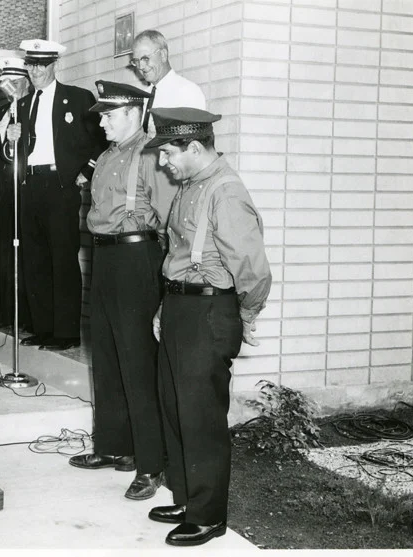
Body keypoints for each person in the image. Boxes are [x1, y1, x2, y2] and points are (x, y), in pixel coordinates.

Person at [146, 107, 271, 547]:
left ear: (195, 147)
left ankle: (208, 514)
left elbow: (252, 270)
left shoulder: (226, 192)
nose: (163, 163)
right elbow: (178, 254)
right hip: (180, 308)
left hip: (209, 312)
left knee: (201, 416)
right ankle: (186, 497)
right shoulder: (191, 185)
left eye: (168, 153)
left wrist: (245, 315)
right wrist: (165, 307)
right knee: (175, 408)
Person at [68, 81, 164, 503]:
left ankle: (150, 464)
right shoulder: (107, 156)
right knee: (106, 354)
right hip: (104, 257)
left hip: (136, 258)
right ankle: (113, 446)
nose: (102, 123)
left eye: (108, 115)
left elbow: (169, 219)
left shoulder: (151, 155)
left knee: (138, 361)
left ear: (132, 113)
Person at [5, 39, 105, 351]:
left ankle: (65, 332)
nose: (35, 71)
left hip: (60, 185)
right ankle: (43, 328)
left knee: (62, 257)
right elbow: (11, 155)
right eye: (31, 65)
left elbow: (101, 140)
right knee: (34, 258)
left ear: (54, 65)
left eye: (42, 65)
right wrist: (10, 141)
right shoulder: (22, 105)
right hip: (30, 184)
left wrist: (85, 172)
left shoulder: (77, 98)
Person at [131, 29, 206, 229]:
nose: (141, 67)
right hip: (145, 183)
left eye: (145, 58)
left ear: (163, 54)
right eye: (136, 61)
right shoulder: (144, 96)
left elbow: (194, 146)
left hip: (173, 181)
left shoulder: (187, 91)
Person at [0, 57, 32, 331]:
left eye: (13, 82)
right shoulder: (0, 113)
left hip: (27, 188)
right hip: (6, 189)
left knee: (26, 253)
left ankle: (25, 317)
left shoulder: (33, 107)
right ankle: (7, 315)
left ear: (26, 82)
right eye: (4, 83)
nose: (7, 88)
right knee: (5, 252)